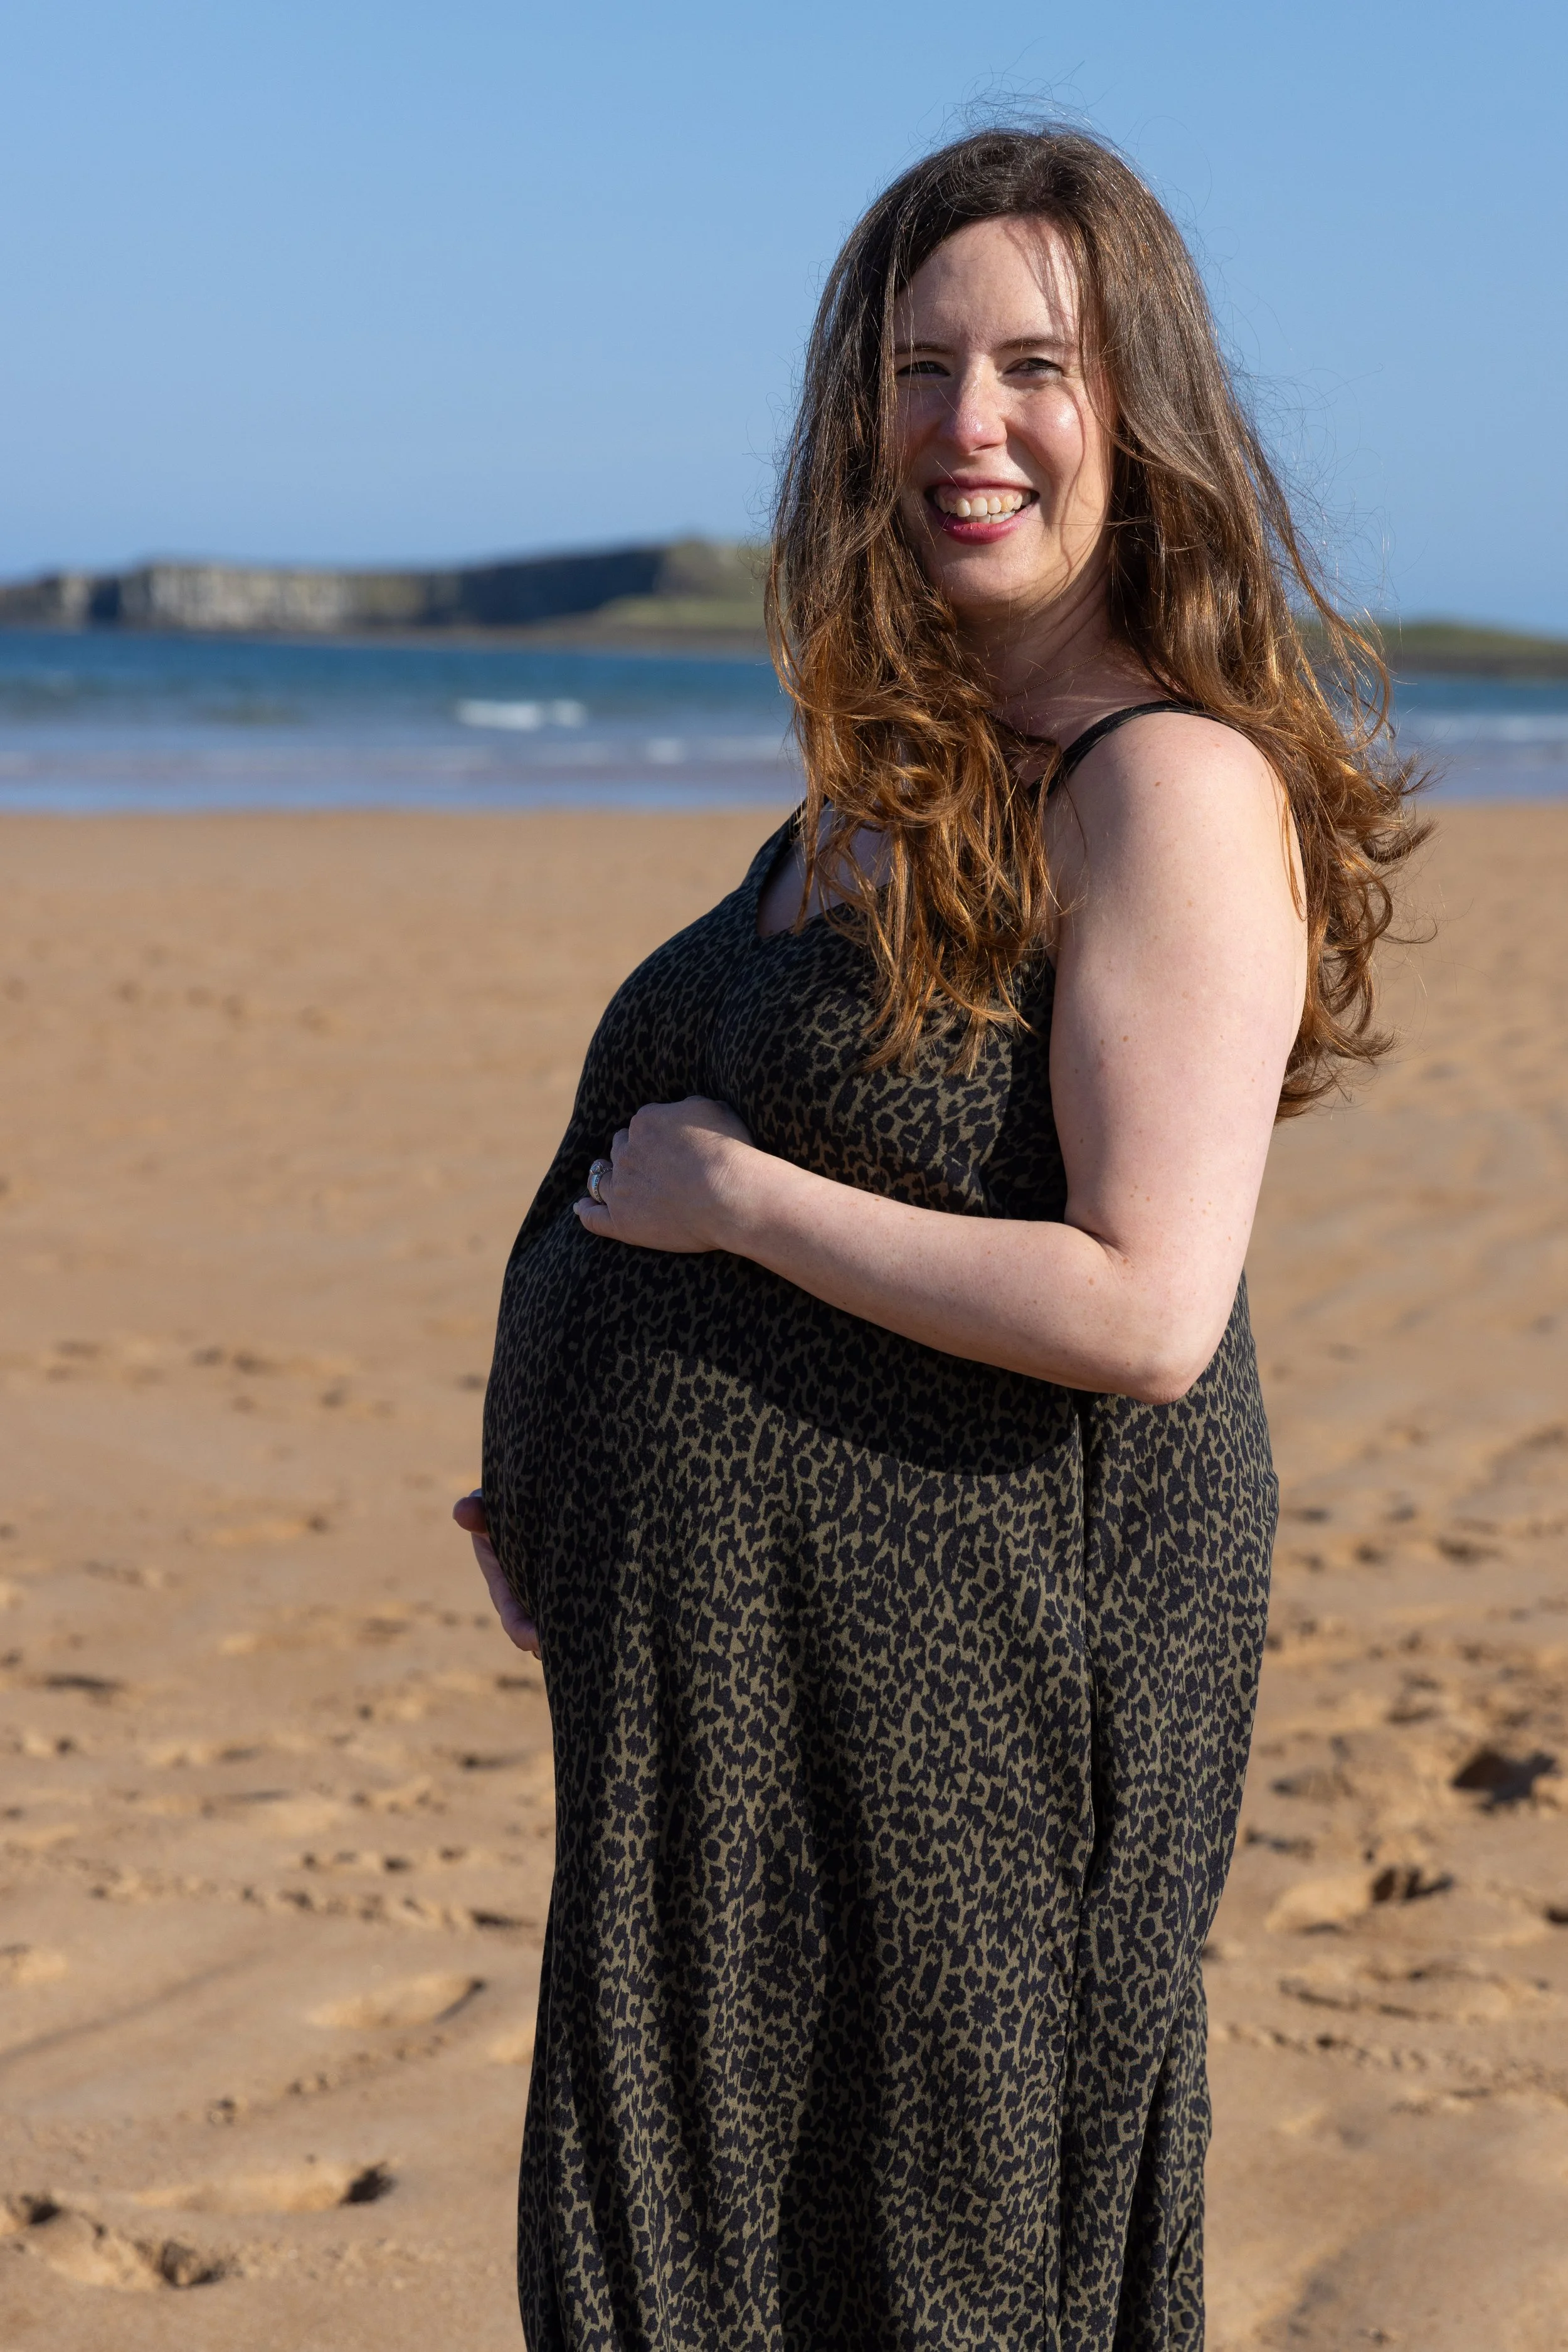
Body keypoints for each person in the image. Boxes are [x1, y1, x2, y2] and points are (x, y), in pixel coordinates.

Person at [456, 124, 1421, 2351]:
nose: (961, 426)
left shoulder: (1161, 787)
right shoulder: (899, 772)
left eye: (1033, 367)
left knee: (937, 2271)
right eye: (915, 366)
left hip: (973, 1747)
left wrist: (734, 1207)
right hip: (733, 1739)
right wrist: (571, 1466)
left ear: (1140, 415)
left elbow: (1148, 1304)